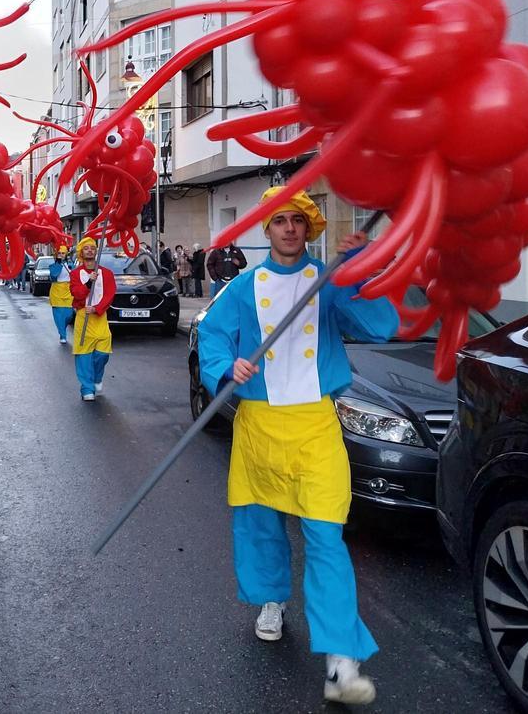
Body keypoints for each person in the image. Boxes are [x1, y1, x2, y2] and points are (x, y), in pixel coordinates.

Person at [196, 187, 397, 706]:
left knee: (327, 539)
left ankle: (340, 662)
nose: (288, 228)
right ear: (267, 230)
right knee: (260, 525)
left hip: (315, 429)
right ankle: (270, 600)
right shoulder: (243, 287)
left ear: (309, 229)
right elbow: (214, 337)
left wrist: (357, 270)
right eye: (279, 220)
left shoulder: (327, 285)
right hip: (259, 427)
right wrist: (226, 368)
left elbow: (383, 325)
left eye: (297, 221)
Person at [69, 237, 116, 401]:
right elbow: (77, 293)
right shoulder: (75, 274)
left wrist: (97, 308)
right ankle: (87, 388)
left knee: (102, 354)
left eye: (92, 248)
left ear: (96, 252)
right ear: (81, 252)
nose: (90, 250)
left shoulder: (107, 273)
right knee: (84, 354)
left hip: (100, 316)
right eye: (86, 248)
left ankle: (97, 378)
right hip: (84, 317)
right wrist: (89, 282)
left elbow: (110, 295)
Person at [48, 244, 75, 345]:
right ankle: (62, 335)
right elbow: (54, 275)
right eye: (59, 253)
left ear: (66, 254)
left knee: (69, 315)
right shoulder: (54, 266)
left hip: (68, 291)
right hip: (57, 292)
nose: (61, 255)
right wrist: (58, 263)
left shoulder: (70, 265)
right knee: (59, 316)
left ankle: (62, 328)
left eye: (63, 253)